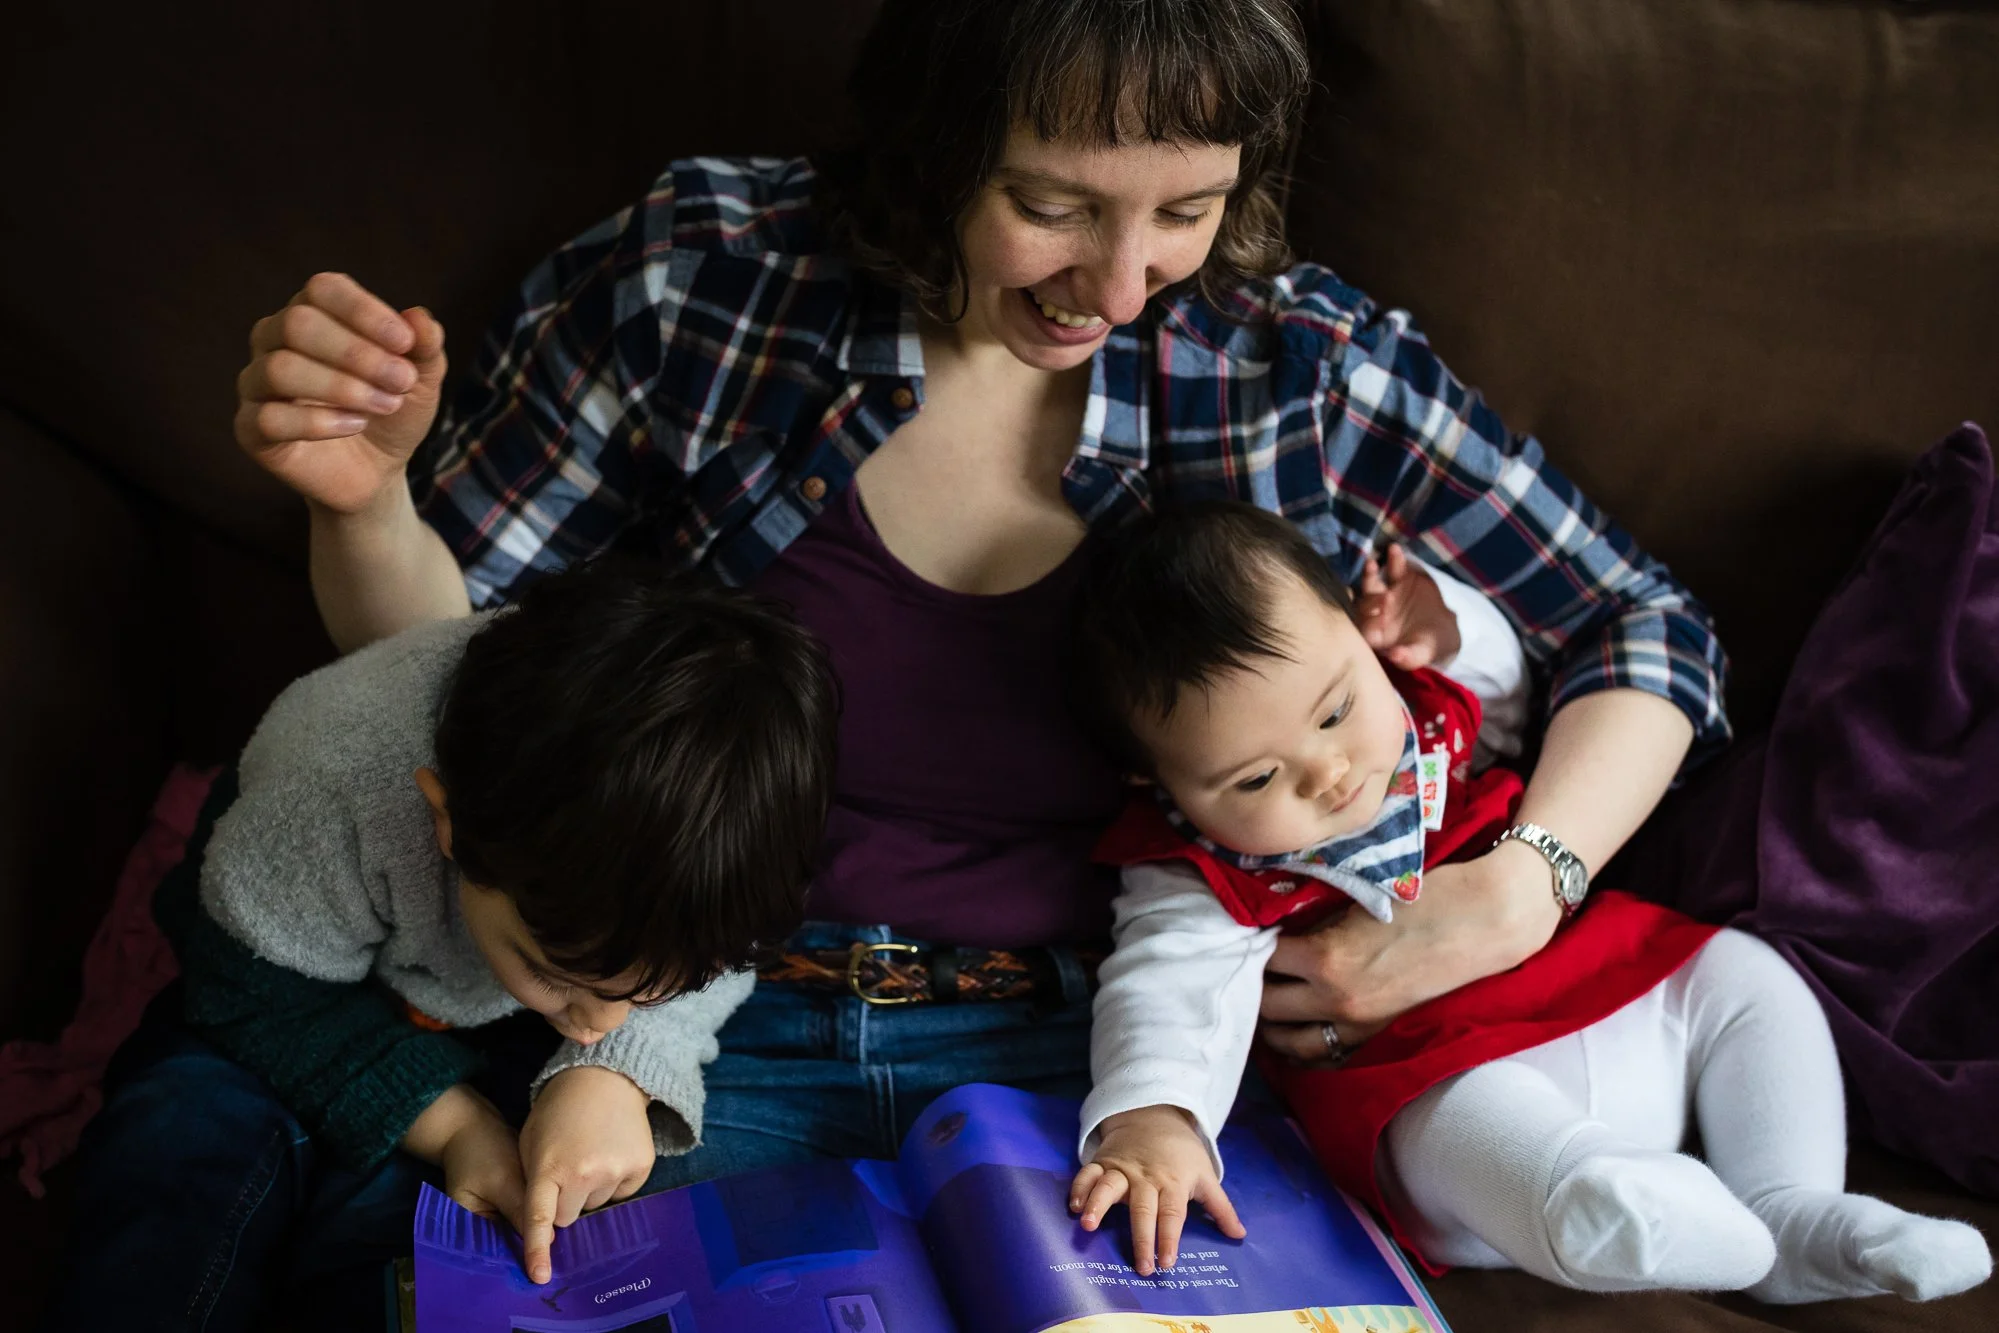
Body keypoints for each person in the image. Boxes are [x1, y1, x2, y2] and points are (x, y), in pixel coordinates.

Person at [92, 0, 1724, 1318]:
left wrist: (1516, 886)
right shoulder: (707, 280)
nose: (1117, 282)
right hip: (688, 1010)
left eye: (1185, 211)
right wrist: (362, 493)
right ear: (938, 144)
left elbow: (1638, 625)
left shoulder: (1302, 368)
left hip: (1104, 1051)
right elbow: (454, 678)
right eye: (1052, 206)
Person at [1066, 501, 1992, 1303]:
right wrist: (1152, 1118)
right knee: (1453, 1122)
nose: (1329, 770)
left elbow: (1509, 684)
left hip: (1603, 982)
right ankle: (1589, 1205)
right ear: (1158, 783)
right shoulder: (1196, 874)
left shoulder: (1428, 711)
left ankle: (1791, 1214)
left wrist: (1450, 622)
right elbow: (1161, 992)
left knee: (1745, 974)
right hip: (1435, 1075)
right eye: (1258, 775)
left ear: (1359, 634)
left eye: (1336, 708)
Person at [42, 565, 839, 1329]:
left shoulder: (725, 844)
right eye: (560, 977)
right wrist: (453, 1122)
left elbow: (717, 966)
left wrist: (620, 1068)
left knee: (448, 1245)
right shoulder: (333, 780)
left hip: (484, 1010)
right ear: (447, 822)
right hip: (276, 982)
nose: (593, 1021)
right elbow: (243, 991)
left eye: (647, 989)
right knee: (173, 1162)